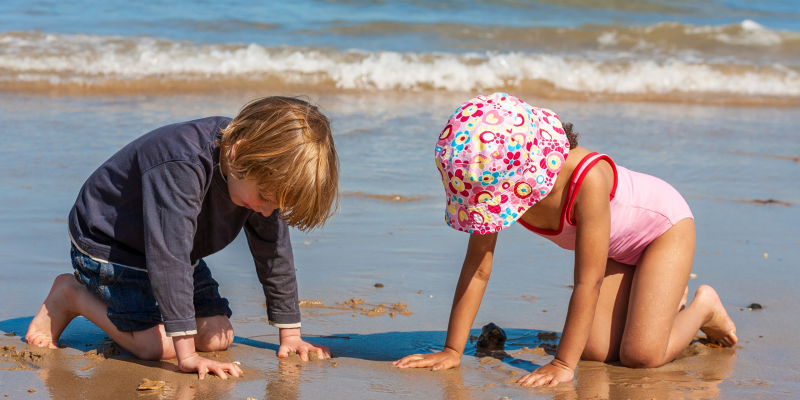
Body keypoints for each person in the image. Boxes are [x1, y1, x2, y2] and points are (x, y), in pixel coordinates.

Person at [394, 92, 738, 387]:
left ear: (522, 174)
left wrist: (562, 365)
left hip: (663, 232)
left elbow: (588, 281)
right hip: (617, 249)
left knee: (640, 355)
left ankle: (703, 307)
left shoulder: (586, 180)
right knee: (596, 351)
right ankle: (660, 297)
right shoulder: (503, 185)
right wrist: (453, 350)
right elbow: (478, 268)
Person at [26, 96, 338, 379]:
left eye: (276, 205)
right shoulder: (182, 164)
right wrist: (186, 356)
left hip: (173, 250)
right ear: (239, 151)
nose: (268, 212)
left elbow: (274, 252)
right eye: (265, 199)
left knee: (220, 335)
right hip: (111, 245)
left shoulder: (259, 172)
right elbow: (168, 255)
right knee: (154, 348)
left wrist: (290, 336)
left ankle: (141, 320)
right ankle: (71, 296)